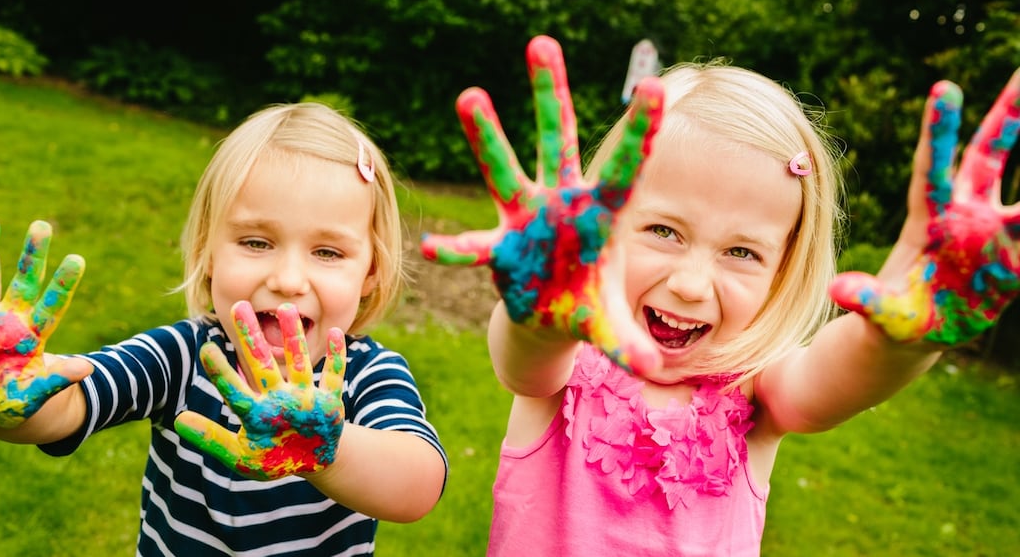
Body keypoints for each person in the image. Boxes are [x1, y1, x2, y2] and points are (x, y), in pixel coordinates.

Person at [421, 34, 1020, 555]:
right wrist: (541, 316)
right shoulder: (563, 364)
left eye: (742, 252)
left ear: (783, 271)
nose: (690, 283)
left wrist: (900, 345)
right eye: (664, 231)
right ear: (602, 226)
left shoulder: (756, 396)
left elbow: (834, 378)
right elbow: (523, 361)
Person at [0, 102, 448, 556]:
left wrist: (326, 447)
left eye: (327, 252)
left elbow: (417, 486)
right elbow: (70, 403)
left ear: (371, 272)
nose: (288, 280)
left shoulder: (368, 374)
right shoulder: (181, 356)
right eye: (256, 242)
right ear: (207, 251)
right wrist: (14, 387)